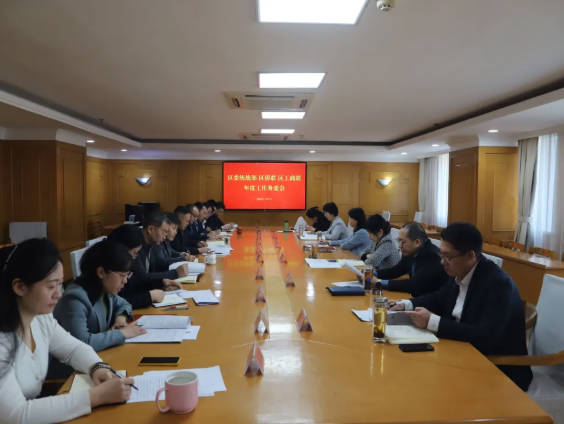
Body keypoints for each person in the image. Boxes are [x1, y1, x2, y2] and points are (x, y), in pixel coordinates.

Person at [0, 239, 134, 423]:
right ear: (20, 287)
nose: (59, 294)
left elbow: (73, 348)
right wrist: (96, 396)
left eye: (60, 285)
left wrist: (97, 367)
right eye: (51, 286)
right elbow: (16, 415)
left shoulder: (40, 318)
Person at [389, 222, 532, 391]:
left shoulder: (498, 284)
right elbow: (440, 297)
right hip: (460, 350)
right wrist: (407, 304)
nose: (442, 262)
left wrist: (432, 321)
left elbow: (485, 337)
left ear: (470, 255)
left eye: (448, 257)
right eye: (442, 255)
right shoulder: (459, 270)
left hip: (496, 369)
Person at [54, 240, 145, 352]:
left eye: (127, 275)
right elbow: (82, 342)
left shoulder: (104, 289)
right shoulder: (75, 298)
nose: (125, 281)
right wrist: (122, 333)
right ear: (101, 272)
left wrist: (120, 318)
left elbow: (124, 304)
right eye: (122, 275)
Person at [376, 222, 448, 296]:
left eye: (403, 242)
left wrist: (379, 282)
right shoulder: (411, 251)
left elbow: (414, 285)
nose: (400, 246)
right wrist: (373, 273)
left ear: (417, 242)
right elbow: (396, 271)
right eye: (399, 241)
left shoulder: (432, 256)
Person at [108, 224, 166, 309]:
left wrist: (162, 283)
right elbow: (117, 303)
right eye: (134, 253)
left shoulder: (128, 263)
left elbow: (137, 282)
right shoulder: (112, 268)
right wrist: (149, 297)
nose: (135, 257)